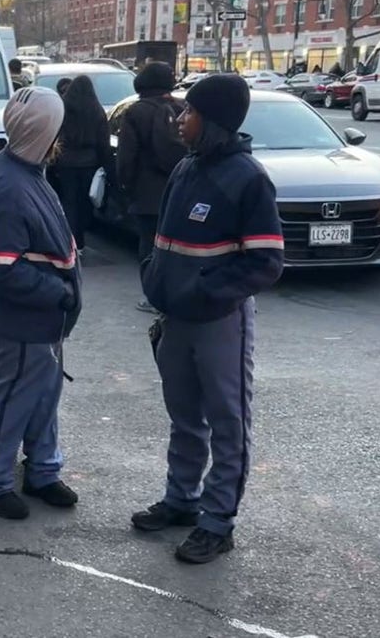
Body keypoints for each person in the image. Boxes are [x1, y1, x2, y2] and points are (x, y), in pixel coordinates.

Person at [133, 74, 284, 564]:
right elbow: (165, 242)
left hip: (219, 321)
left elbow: (265, 262)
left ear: (214, 120)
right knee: (184, 416)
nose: (180, 120)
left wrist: (205, 293)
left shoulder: (249, 179)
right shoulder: (186, 168)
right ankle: (182, 500)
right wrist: (157, 282)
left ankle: (217, 523)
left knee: (227, 422)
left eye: (189, 113)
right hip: (175, 317)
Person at [0, 86, 83, 520]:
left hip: (43, 320)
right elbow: (1, 264)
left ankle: (42, 469)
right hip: (26, 318)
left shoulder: (22, 169)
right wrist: (57, 292)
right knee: (15, 396)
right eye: (56, 126)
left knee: (42, 396)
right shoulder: (12, 186)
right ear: (44, 131)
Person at [115, 62, 187, 313]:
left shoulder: (136, 112)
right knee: (178, 244)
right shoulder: (183, 108)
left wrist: (125, 186)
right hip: (181, 190)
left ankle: (153, 295)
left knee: (149, 245)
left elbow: (127, 157)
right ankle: (177, 290)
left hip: (147, 194)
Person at [47, 75, 111, 252]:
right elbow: (103, 142)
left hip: (65, 163)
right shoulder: (96, 110)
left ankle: (70, 240)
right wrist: (107, 166)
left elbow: (55, 136)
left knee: (69, 202)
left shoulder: (63, 109)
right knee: (84, 202)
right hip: (89, 164)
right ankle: (80, 240)